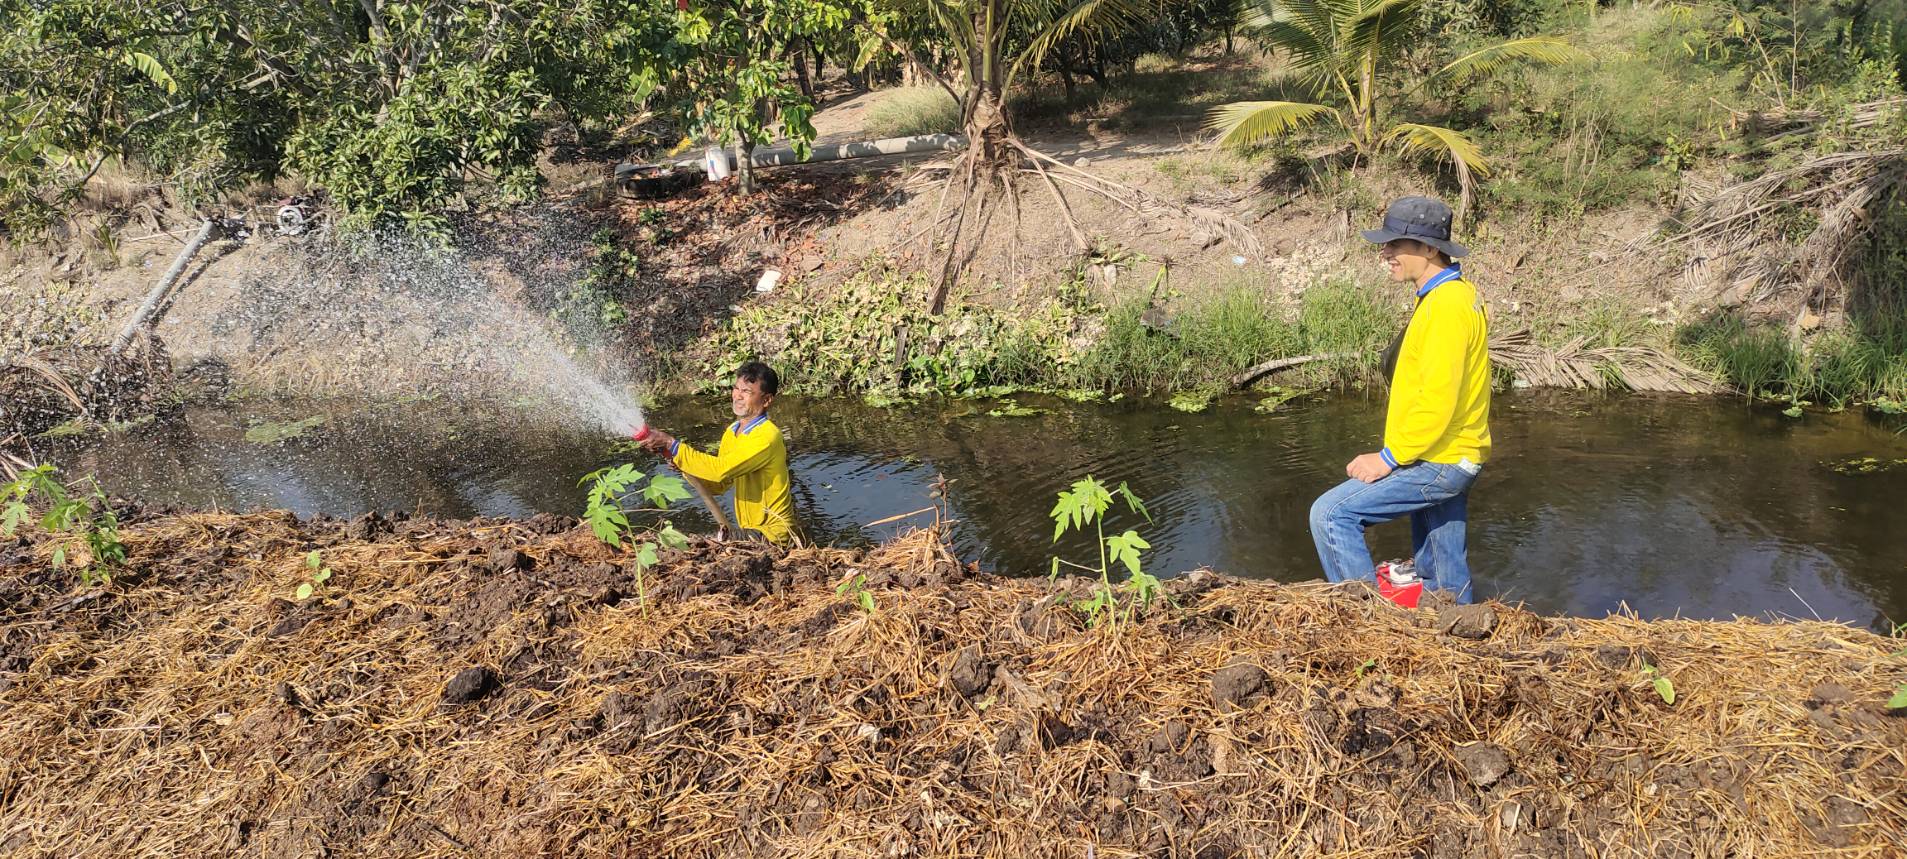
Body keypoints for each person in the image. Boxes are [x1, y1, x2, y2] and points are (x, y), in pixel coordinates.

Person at [1308, 196, 1492, 603]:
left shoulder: (1446, 308)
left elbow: (1437, 402)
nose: (1385, 252)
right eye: (1385, 243)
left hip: (1441, 458)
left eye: (1396, 243)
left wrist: (1388, 458)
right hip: (1449, 452)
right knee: (1443, 581)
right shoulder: (1452, 295)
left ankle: (1368, 626)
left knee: (1331, 515)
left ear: (1430, 249)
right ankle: (1457, 629)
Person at [637, 361, 797, 544]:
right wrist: (683, 466)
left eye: (747, 392)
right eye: (736, 388)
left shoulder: (767, 436)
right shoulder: (733, 431)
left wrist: (672, 445)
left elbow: (720, 469)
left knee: (707, 543)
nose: (737, 396)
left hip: (772, 535)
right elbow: (719, 484)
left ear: (767, 400)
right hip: (751, 529)